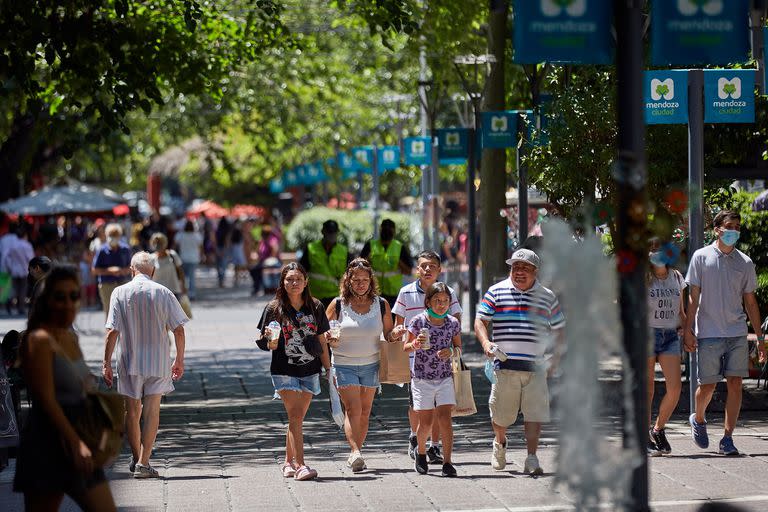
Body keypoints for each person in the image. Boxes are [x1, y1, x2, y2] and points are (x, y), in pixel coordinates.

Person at [13, 265, 116, 511]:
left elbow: (80, 385)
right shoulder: (37, 340)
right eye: (60, 296)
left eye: (73, 296)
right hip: (47, 442)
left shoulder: (70, 337)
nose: (68, 303)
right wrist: (75, 442)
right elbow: (45, 399)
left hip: (79, 432)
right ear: (45, 301)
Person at [474, 248, 565, 476]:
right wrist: (486, 343)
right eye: (515, 267)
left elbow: (560, 329)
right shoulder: (496, 291)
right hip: (504, 367)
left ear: (535, 271)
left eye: (525, 268)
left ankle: (531, 457)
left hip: (536, 367)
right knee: (501, 415)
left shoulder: (547, 296)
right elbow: (480, 321)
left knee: (534, 415)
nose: (519, 272)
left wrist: (555, 358)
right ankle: (500, 442)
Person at [684, 210, 765, 456]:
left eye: (738, 227)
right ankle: (698, 419)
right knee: (707, 386)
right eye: (730, 226)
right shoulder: (701, 256)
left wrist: (760, 339)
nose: (735, 231)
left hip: (737, 332)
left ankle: (727, 438)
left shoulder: (745, 262)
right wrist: (688, 329)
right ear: (717, 229)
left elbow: (750, 302)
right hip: (708, 331)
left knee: (735, 384)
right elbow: (693, 296)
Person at [102, 252, 188, 478]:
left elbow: (112, 331)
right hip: (157, 360)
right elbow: (178, 329)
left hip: (129, 360)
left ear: (132, 270)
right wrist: (179, 359)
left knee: (131, 412)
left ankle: (135, 457)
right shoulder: (164, 292)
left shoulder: (119, 293)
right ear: (153, 271)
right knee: (152, 411)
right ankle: (144, 462)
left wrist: (106, 363)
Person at [255, 262, 331, 481]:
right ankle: (301, 466)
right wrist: (270, 338)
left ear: (306, 281)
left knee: (296, 419)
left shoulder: (315, 306)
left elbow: (321, 340)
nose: (294, 283)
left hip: (310, 369)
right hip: (283, 370)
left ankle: (287, 462)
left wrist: (328, 368)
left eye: (298, 279)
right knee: (295, 415)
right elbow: (266, 343)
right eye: (289, 279)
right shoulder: (273, 308)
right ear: (283, 282)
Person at [391, 250, 462, 464]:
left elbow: (455, 320)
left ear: (440, 269)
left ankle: (434, 446)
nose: (427, 269)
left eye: (432, 266)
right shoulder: (406, 292)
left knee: (441, 408)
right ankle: (415, 437)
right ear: (417, 269)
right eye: (423, 266)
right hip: (415, 361)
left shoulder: (447, 292)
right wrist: (399, 334)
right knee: (418, 406)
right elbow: (398, 325)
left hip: (441, 362)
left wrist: (451, 347)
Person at [325, 258, 395, 473]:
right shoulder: (337, 304)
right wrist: (330, 338)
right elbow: (325, 334)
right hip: (344, 364)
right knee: (353, 409)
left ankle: (357, 454)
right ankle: (355, 450)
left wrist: (397, 334)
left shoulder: (381, 304)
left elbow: (388, 334)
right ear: (348, 281)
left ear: (371, 281)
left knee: (365, 411)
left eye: (365, 280)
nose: (361, 284)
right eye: (356, 280)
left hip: (372, 364)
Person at [403, 282, 461, 477]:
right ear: (428, 302)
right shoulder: (418, 321)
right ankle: (420, 453)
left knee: (445, 419)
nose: (442, 304)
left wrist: (451, 351)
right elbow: (405, 347)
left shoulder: (452, 323)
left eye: (445, 301)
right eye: (437, 300)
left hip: (445, 378)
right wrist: (415, 344)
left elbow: (459, 349)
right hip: (421, 378)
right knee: (426, 423)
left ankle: (447, 462)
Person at [646, 246, 686, 456]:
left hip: (670, 334)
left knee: (675, 389)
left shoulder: (677, 277)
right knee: (647, 389)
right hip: (647, 334)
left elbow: (681, 311)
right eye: (652, 249)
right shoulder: (642, 277)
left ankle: (658, 429)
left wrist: (688, 332)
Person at [360, 219, 413, 308]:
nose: (387, 231)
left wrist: (398, 262)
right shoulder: (370, 245)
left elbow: (409, 271)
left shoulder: (400, 247)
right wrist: (367, 260)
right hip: (373, 292)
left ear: (394, 231)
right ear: (380, 230)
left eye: (389, 229)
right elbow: (359, 267)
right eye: (385, 228)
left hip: (393, 294)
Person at [299, 220, 349, 308]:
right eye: (329, 232)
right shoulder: (311, 248)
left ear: (337, 233)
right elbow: (300, 272)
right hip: (314, 297)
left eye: (334, 232)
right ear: (323, 232)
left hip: (336, 297)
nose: (331, 235)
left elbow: (350, 274)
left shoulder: (344, 251)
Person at [91, 223, 132, 316]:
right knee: (109, 312)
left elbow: (130, 266)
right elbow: (94, 270)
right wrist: (110, 271)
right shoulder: (102, 250)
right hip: (106, 286)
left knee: (124, 313)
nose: (113, 238)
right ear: (106, 235)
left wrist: (122, 271)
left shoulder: (125, 249)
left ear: (119, 236)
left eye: (115, 235)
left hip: (122, 284)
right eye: (111, 235)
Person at [1, 224, 35, 316]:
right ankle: (21, 307)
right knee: (23, 289)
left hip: (14, 269)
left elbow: (7, 257)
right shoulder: (27, 245)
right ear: (25, 235)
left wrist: (9, 267)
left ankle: (10, 301)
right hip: (24, 269)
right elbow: (31, 258)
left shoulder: (13, 246)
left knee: (14, 288)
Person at [149, 233, 187, 298]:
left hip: (173, 292)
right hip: (158, 293)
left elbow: (180, 272)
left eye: (160, 243)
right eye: (156, 242)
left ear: (165, 243)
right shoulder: (151, 258)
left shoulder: (172, 255)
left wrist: (183, 286)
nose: (158, 245)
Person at [249, 220, 282, 296]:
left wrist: (270, 258)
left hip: (272, 262)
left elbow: (275, 249)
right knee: (253, 270)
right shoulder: (262, 241)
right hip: (263, 262)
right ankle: (258, 288)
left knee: (257, 270)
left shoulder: (272, 239)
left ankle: (261, 288)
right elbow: (258, 251)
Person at [175, 220, 203, 300]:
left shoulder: (180, 235)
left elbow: (175, 243)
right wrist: (201, 255)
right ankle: (192, 293)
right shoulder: (197, 235)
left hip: (183, 258)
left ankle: (184, 293)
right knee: (192, 276)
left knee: (183, 277)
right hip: (194, 258)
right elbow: (200, 247)